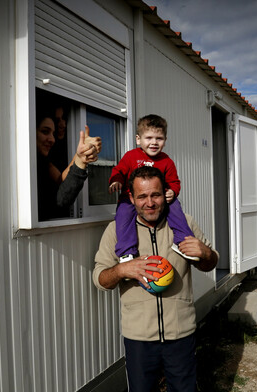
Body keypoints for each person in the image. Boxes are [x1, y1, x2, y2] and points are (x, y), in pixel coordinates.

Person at [93, 166, 218, 391]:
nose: (149, 203)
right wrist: (122, 270)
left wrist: (205, 252)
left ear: (166, 194)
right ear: (131, 197)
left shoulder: (183, 224)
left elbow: (210, 262)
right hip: (139, 338)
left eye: (155, 195)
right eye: (142, 196)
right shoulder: (117, 231)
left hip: (181, 333)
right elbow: (100, 280)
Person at [108, 114, 198, 262]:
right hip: (129, 197)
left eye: (159, 138)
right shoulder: (131, 156)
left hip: (159, 198)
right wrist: (115, 180)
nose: (154, 142)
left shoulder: (166, 161)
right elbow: (119, 170)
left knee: (175, 207)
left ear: (165, 140)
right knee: (123, 215)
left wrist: (172, 191)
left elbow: (174, 181)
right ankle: (126, 252)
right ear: (138, 139)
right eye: (149, 138)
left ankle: (182, 242)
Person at [36, 115, 101, 221]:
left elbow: (61, 180)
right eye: (45, 131)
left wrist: (81, 155)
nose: (52, 139)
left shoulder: (45, 163)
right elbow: (61, 199)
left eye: (53, 133)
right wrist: (80, 159)